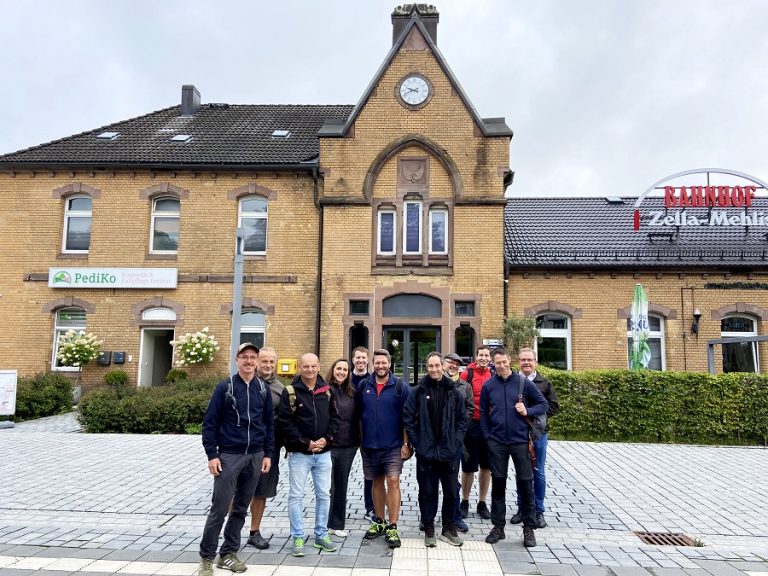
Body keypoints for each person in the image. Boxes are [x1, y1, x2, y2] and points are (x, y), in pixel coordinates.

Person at [197, 343, 274, 576]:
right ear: (237, 360)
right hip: (229, 456)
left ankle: (228, 553)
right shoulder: (225, 387)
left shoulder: (262, 388)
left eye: (253, 357)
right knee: (220, 508)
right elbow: (209, 423)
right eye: (245, 357)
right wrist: (212, 455)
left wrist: (268, 453)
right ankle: (207, 558)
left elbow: (269, 424)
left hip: (255, 456)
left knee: (241, 508)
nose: (249, 361)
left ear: (257, 361)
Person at [480, 346, 548, 548]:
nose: (501, 366)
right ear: (493, 363)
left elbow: (543, 404)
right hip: (497, 443)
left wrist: (527, 410)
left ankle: (529, 528)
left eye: (504, 362)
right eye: (497, 362)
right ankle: (498, 526)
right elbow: (483, 413)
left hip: (520, 442)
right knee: (498, 485)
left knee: (526, 484)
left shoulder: (523, 383)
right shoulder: (489, 386)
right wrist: (487, 437)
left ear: (510, 360)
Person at [404, 352, 468, 547]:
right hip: (427, 452)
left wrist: (456, 442)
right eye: (430, 366)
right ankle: (429, 528)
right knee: (427, 492)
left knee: (451, 492)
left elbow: (462, 420)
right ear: (426, 367)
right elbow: (407, 417)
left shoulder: (454, 391)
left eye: (437, 366)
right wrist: (417, 442)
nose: (434, 369)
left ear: (442, 366)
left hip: (449, 452)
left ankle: (448, 529)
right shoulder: (418, 391)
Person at [278, 353, 339, 557]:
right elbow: (285, 423)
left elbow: (335, 419)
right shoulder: (291, 391)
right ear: (299, 368)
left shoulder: (327, 391)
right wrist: (306, 443)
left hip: (324, 453)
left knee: (323, 495)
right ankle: (297, 536)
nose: (310, 370)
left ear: (319, 367)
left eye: (313, 366)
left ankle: (321, 535)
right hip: (299, 455)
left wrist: (326, 439)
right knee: (296, 495)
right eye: (306, 367)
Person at [358, 348, 411, 548]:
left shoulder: (400, 387)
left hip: (394, 445)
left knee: (393, 481)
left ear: (389, 364)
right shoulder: (364, 385)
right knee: (376, 482)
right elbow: (359, 416)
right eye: (377, 363)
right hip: (370, 445)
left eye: (384, 362)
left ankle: (393, 525)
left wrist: (406, 443)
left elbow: (407, 418)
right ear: (373, 364)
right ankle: (379, 521)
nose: (381, 366)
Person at [509, 348, 559, 529]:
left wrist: (532, 415)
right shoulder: (513, 381)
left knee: (538, 472)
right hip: (519, 435)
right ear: (518, 362)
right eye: (523, 360)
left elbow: (553, 407)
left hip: (538, 435)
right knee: (522, 473)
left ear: (535, 362)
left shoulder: (544, 383)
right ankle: (522, 508)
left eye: (529, 359)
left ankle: (538, 511)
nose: (526, 363)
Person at [246, 347, 283, 549]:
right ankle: (231, 529)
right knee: (237, 490)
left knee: (261, 491)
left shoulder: (280, 388)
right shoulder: (244, 383)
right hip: (243, 448)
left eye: (271, 362)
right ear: (257, 362)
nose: (268, 365)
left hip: (269, 449)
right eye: (264, 361)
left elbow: (285, 418)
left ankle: (254, 531)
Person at [326, 358, 360, 538]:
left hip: (348, 445)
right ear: (333, 370)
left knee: (340, 485)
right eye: (338, 368)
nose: (341, 372)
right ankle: (323, 522)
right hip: (328, 445)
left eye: (345, 370)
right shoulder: (324, 390)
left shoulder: (352, 392)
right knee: (325, 486)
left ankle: (336, 524)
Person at [459, 345, 494, 520]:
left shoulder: (493, 375)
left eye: (486, 355)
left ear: (490, 358)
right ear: (476, 356)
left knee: (486, 466)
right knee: (468, 466)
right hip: (471, 425)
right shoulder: (467, 374)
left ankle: (482, 502)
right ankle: (464, 501)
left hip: (488, 425)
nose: (483, 357)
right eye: (480, 354)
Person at [443, 352, 473, 533]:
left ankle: (455, 517)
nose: (453, 366)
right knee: (430, 483)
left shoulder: (465, 387)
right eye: (450, 363)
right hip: (436, 440)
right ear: (443, 363)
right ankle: (427, 518)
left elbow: (470, 408)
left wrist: (460, 424)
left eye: (457, 364)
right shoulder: (435, 382)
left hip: (456, 439)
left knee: (452, 481)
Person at [350, 346, 375, 522]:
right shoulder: (345, 378)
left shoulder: (372, 380)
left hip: (367, 432)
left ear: (368, 360)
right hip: (346, 433)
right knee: (339, 472)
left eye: (363, 358)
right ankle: (335, 508)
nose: (360, 361)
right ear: (353, 360)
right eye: (357, 358)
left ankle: (371, 507)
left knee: (370, 472)